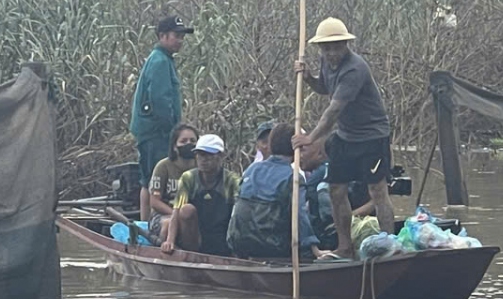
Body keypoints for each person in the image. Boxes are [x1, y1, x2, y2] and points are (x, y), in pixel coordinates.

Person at [293, 17, 395, 260]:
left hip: (372, 136)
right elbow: (325, 88)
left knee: (377, 189)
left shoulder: (354, 68)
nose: (332, 53)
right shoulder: (326, 62)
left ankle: (389, 245)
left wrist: (311, 138)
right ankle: (344, 246)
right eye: (327, 48)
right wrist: (308, 78)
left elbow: (333, 111)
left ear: (346, 45)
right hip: (346, 136)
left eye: (337, 47)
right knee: (335, 189)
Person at [228, 122, 324, 260]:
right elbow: (300, 216)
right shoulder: (293, 177)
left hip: (238, 242)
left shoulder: (251, 169)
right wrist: (314, 248)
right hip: (271, 246)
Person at [130, 15, 193, 220]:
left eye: (182, 36)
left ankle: (146, 224)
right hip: (156, 132)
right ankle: (149, 227)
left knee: (148, 179)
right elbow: (160, 100)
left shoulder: (163, 59)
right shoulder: (159, 62)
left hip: (153, 131)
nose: (180, 40)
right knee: (153, 180)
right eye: (176, 35)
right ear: (162, 36)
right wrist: (173, 133)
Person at [161, 134, 240, 256]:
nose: (203, 159)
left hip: (221, 234)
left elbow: (239, 213)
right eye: (200, 155)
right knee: (185, 210)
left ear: (220, 156)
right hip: (195, 235)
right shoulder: (188, 178)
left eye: (209, 155)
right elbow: (176, 211)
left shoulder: (232, 180)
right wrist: (169, 241)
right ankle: (192, 255)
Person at [147, 123, 199, 241]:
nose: (188, 144)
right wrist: (176, 216)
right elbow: (154, 202)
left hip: (192, 215)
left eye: (192, 140)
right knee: (168, 225)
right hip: (164, 215)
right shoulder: (163, 166)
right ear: (175, 146)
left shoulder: (201, 167)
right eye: (183, 141)